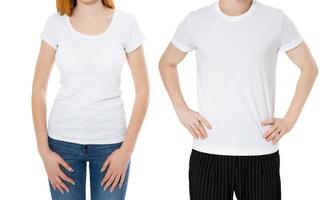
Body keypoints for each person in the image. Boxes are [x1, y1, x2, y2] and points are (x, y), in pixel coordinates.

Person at [159, 0, 318, 199]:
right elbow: (167, 62)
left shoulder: (275, 20)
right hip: (209, 149)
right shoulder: (196, 21)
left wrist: (290, 120)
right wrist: (181, 109)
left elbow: (309, 67)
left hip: (260, 150)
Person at [32, 0, 149, 199]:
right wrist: (44, 151)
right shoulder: (55, 24)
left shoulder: (126, 24)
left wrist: (126, 151)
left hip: (112, 146)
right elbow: (38, 89)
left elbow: (143, 89)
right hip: (62, 145)